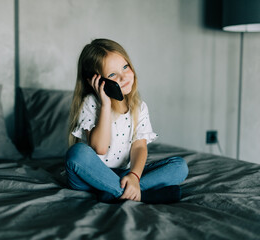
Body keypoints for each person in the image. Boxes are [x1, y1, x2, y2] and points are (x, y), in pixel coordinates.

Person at [65, 38, 188, 204]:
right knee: (77, 153)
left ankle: (115, 192)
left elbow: (139, 147)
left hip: (123, 175)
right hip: (91, 176)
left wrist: (134, 176)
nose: (124, 77)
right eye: (112, 75)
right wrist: (106, 105)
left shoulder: (139, 107)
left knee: (179, 166)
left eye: (125, 67)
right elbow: (100, 148)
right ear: (97, 81)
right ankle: (141, 195)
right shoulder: (91, 103)